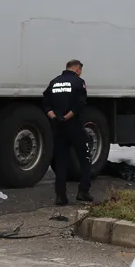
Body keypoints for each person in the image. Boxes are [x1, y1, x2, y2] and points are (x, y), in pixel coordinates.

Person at [43, 59, 94, 206]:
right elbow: (80, 105)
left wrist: (55, 117)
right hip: (74, 126)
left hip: (58, 127)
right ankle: (83, 192)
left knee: (61, 161)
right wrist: (66, 117)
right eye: (80, 70)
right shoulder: (78, 82)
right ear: (77, 69)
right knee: (85, 158)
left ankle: (60, 196)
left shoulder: (54, 82)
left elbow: (46, 104)